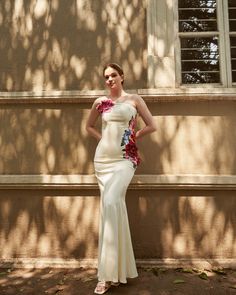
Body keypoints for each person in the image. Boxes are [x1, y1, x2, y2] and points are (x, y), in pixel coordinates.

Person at [86, 63, 156, 294]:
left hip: (126, 159)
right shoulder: (100, 102)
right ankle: (110, 274)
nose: (109, 79)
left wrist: (132, 137)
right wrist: (104, 140)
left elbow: (152, 125)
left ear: (122, 77)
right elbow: (89, 126)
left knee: (111, 202)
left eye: (113, 75)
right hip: (103, 161)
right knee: (112, 209)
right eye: (106, 76)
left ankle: (109, 273)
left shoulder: (134, 100)